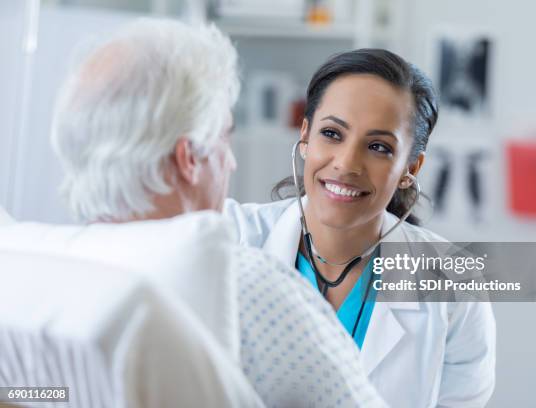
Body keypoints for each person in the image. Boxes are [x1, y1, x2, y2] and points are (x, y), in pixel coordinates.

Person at [50, 19, 386, 407]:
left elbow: (32, 393)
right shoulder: (250, 290)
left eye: (378, 146)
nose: (231, 163)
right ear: (189, 159)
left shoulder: (56, 271)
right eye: (224, 137)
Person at [224, 49, 496, 407]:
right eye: (332, 134)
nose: (347, 164)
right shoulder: (230, 238)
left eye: (378, 147)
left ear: (411, 168)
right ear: (305, 136)